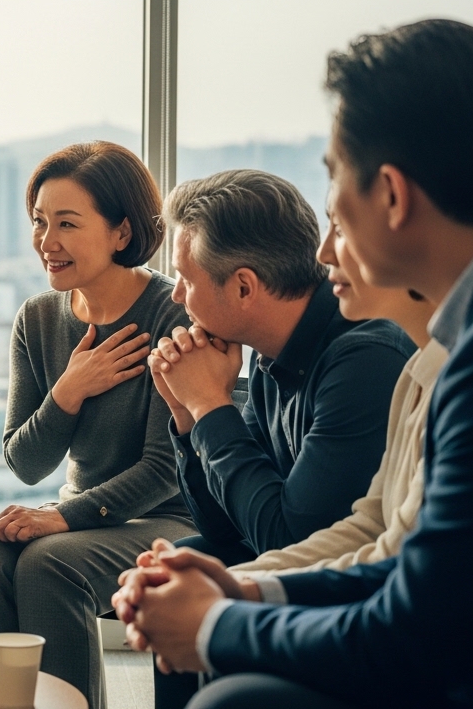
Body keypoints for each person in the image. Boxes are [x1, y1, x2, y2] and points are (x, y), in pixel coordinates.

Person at [116, 18, 473, 709]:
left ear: (393, 195)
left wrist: (219, 621)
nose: (323, 251)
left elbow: (416, 626)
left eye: (334, 184)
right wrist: (246, 589)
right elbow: (390, 547)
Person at [0, 142, 194, 709]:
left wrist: (60, 517)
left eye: (67, 223)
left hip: (170, 517)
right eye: (40, 222)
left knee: (48, 563)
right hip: (87, 516)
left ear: (122, 232)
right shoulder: (39, 318)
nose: (47, 242)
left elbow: (166, 470)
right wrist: (68, 391)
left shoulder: (170, 314)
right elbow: (25, 463)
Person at [150, 169, 414, 567]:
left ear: (244, 287)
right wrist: (187, 415)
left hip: (351, 576)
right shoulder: (271, 350)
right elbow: (225, 527)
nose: (176, 294)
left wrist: (209, 405)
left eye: (187, 278)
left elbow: (292, 544)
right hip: (290, 557)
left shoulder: (364, 362)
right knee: (178, 560)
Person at [228, 216, 445, 577]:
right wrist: (237, 584)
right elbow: (372, 526)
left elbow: (405, 571)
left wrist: (232, 600)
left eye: (341, 228)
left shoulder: (374, 358)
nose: (323, 252)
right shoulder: (416, 370)